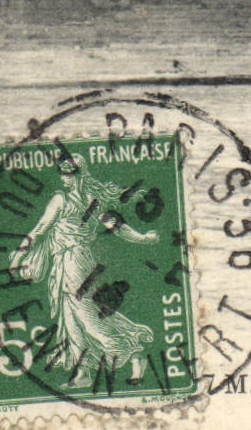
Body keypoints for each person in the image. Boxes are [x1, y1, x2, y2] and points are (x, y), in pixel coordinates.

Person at [9, 158, 158, 387]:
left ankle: (131, 350)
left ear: (79, 175)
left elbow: (117, 227)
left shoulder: (77, 200)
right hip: (67, 263)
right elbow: (40, 229)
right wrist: (19, 254)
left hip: (75, 263)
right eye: (62, 174)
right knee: (71, 319)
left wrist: (143, 239)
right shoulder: (87, 200)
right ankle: (84, 372)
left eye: (68, 174)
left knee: (88, 319)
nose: (63, 178)